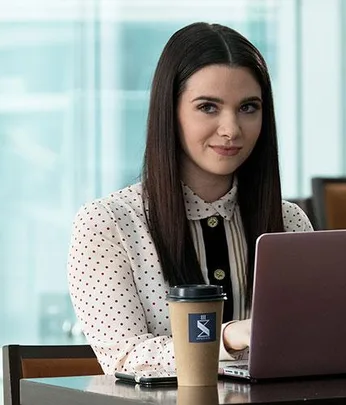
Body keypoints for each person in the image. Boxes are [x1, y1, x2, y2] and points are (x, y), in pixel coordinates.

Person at [68, 22, 313, 377]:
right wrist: (228, 338)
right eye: (208, 107)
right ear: (171, 111)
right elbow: (124, 357)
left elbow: (311, 343)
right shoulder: (108, 224)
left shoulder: (289, 221)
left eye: (248, 107)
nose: (231, 129)